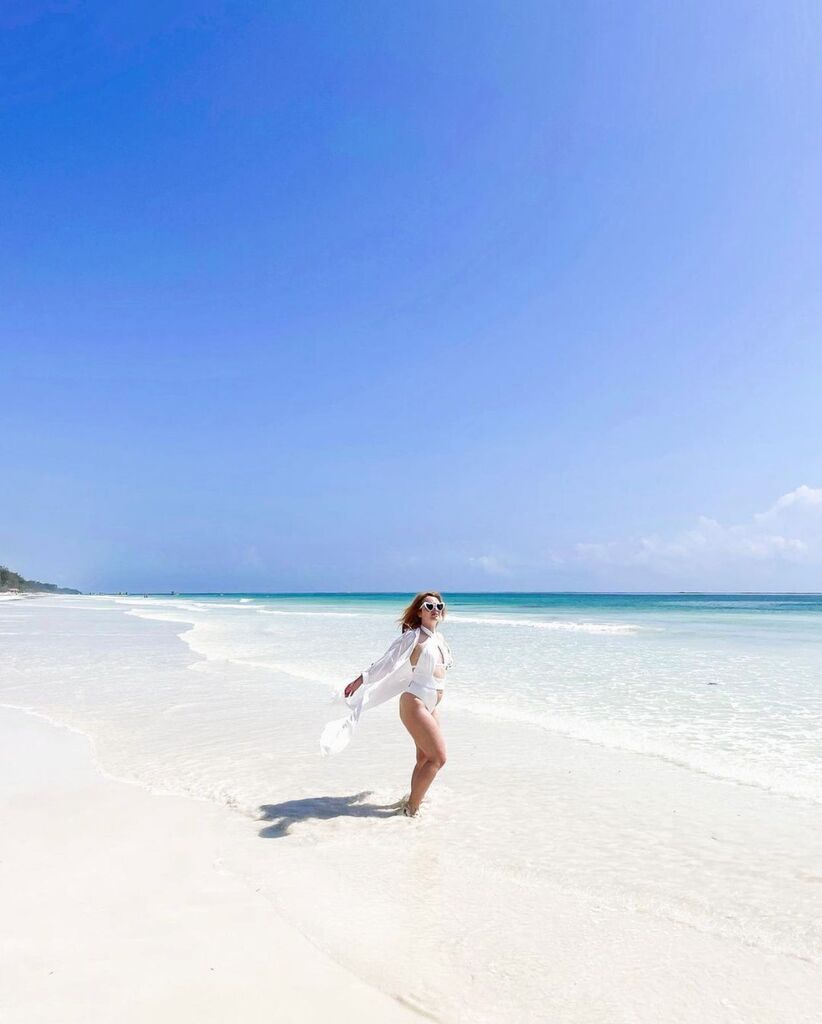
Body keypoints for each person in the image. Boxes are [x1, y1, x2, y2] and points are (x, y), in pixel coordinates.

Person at [319, 592, 453, 817]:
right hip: (415, 703)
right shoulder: (413, 637)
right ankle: (411, 810)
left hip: (432, 705)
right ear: (419, 611)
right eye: (428, 606)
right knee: (438, 758)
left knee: (424, 758)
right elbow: (387, 662)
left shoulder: (439, 640)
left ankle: (411, 800)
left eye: (438, 605)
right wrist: (360, 679)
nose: (434, 609)